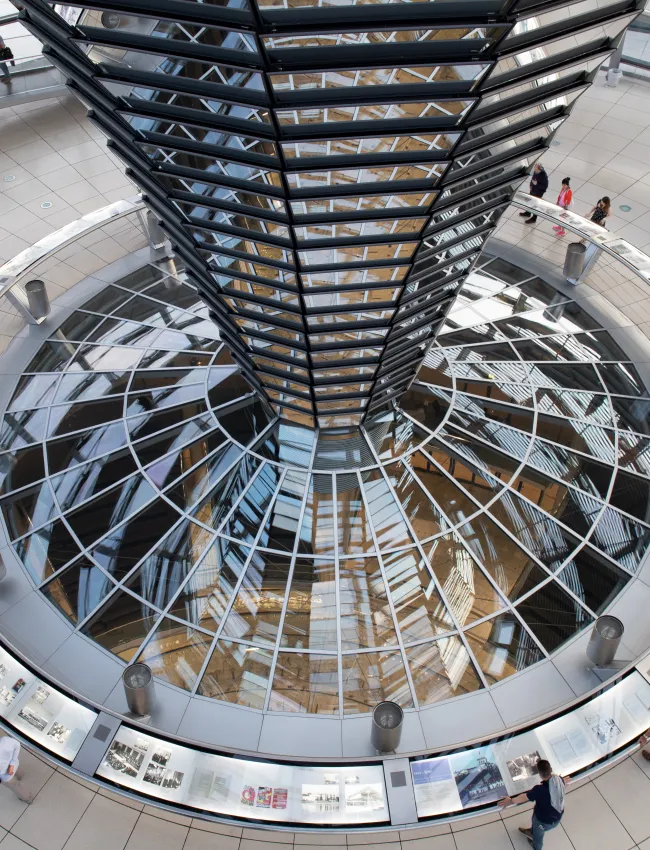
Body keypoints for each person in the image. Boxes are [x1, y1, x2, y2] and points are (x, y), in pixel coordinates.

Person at [499, 759, 565, 849]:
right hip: (557, 817)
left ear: (539, 773)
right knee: (536, 826)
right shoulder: (559, 779)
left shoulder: (539, 790)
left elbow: (523, 798)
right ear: (551, 769)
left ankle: (536, 847)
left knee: (538, 839)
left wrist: (510, 801)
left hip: (543, 822)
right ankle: (532, 831)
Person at [0, 734, 33, 803]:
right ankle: (21, 775)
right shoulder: (4, 740)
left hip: (5, 775)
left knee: (14, 785)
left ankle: (27, 798)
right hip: (12, 762)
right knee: (16, 769)